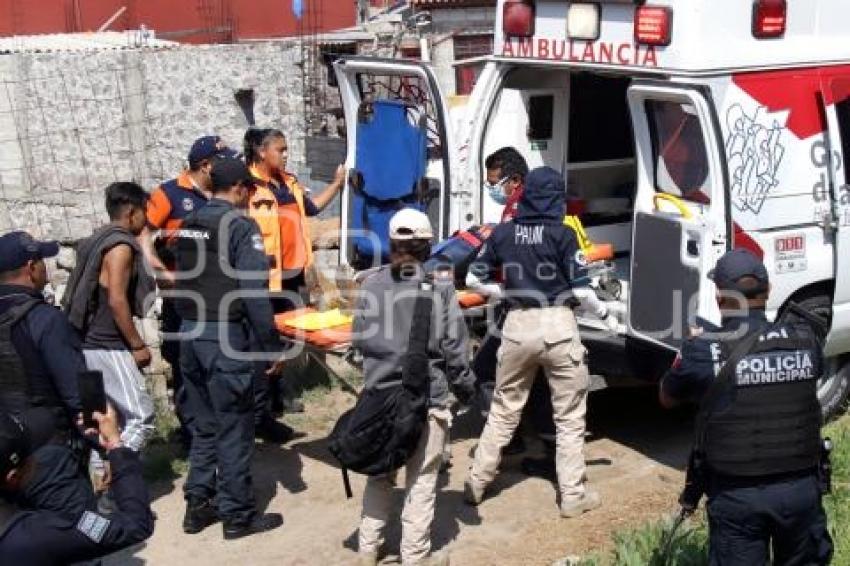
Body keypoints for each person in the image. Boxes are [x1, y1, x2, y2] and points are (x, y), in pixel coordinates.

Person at [659, 249, 833, 565]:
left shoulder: (704, 348)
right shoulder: (806, 339)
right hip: (802, 491)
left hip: (737, 496)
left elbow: (667, 397)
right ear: (767, 292)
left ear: (720, 298)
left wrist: (690, 347)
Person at [463, 166, 605, 518]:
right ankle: (572, 497)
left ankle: (477, 482)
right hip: (558, 325)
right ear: (556, 198)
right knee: (570, 417)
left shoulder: (504, 232)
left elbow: (472, 278)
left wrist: (505, 292)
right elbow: (582, 290)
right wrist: (605, 314)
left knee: (504, 408)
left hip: (516, 325)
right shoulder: (563, 234)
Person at [354, 208, 475, 566]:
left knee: (380, 475)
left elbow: (359, 340)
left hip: (377, 398)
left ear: (392, 244)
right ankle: (416, 556)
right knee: (421, 478)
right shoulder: (438, 287)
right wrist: (468, 388)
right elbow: (455, 347)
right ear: (428, 246)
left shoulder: (370, 283)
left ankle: (367, 550)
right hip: (425, 398)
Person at [173, 157, 285, 539]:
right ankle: (238, 516)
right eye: (250, 191)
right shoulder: (239, 225)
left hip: (189, 334)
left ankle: (197, 506)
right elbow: (254, 293)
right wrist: (270, 348)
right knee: (235, 428)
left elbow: (183, 282)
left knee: (205, 427)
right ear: (239, 188)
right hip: (223, 338)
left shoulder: (190, 224)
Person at [243, 127, 344, 423]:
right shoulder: (247, 186)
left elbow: (311, 208)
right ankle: (265, 402)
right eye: (281, 150)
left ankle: (281, 392)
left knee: (291, 337)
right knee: (265, 338)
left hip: (294, 273)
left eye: (286, 149)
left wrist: (337, 184)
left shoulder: (289, 184)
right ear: (262, 152)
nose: (286, 155)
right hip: (266, 277)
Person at [141, 135, 237, 443]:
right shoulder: (169, 194)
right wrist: (162, 273)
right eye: (223, 161)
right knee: (184, 361)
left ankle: (215, 424)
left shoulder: (226, 195)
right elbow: (142, 237)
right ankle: (191, 429)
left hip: (218, 296)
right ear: (206, 165)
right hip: (182, 295)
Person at [63, 182, 157, 468]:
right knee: (142, 418)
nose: (147, 219)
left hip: (86, 344)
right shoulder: (120, 246)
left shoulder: (95, 240)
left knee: (104, 420)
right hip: (108, 346)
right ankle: (114, 483)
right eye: (144, 211)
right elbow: (117, 300)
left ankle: (103, 483)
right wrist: (137, 345)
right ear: (131, 212)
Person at [0, 406, 154, 565]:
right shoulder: (43, 534)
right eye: (32, 450)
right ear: (13, 477)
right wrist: (116, 446)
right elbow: (135, 525)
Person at [0, 231, 87, 437]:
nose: (45, 266)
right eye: (41, 260)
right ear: (31, 268)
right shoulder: (45, 319)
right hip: (49, 445)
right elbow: (77, 394)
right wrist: (105, 447)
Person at [484, 146, 529, 223]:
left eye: (494, 184)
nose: (491, 189)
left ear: (515, 180)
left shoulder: (524, 206)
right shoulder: (513, 202)